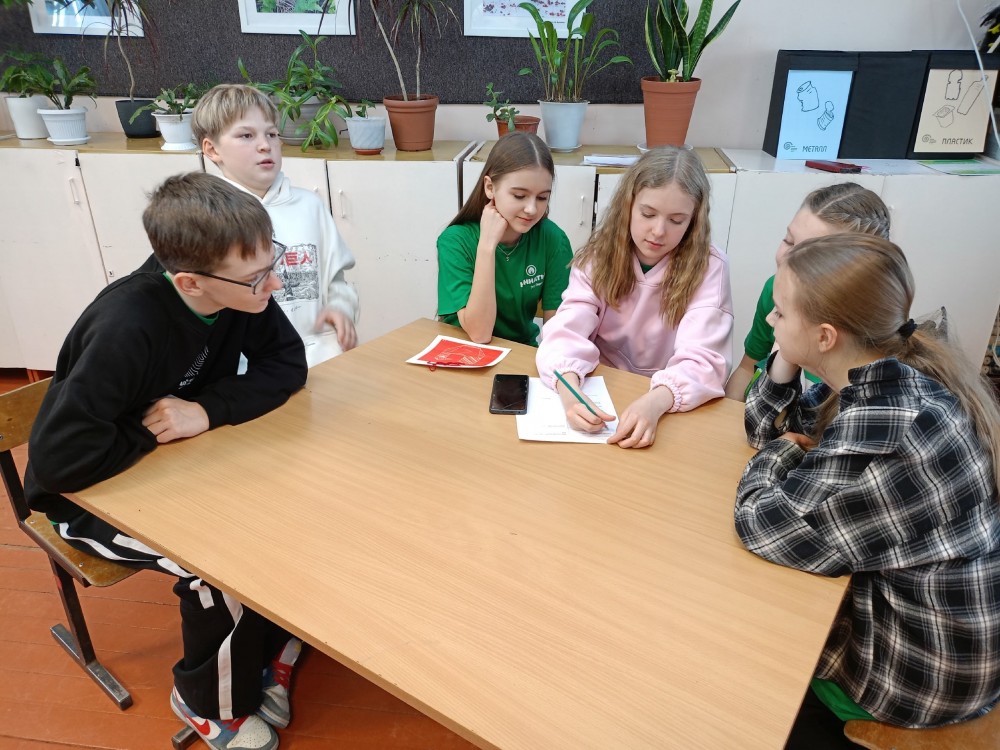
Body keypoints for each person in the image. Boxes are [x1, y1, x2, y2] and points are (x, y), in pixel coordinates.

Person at [24, 173, 309, 750]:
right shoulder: (126, 326)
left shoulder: (235, 288)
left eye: (272, 261)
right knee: (217, 567)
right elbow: (59, 461)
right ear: (189, 282)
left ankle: (263, 646)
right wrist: (152, 432)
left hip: (173, 469)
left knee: (283, 512)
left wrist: (205, 411)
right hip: (84, 499)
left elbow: (287, 363)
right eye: (258, 276)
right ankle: (207, 703)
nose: (274, 282)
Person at [735, 234, 1000, 749]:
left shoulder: (891, 423)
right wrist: (785, 361)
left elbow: (764, 526)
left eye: (781, 313)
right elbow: (766, 427)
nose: (770, 319)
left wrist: (779, 455)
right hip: (948, 641)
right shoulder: (884, 371)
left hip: (920, 676)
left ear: (826, 336)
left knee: (758, 655)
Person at [535, 146, 733, 449]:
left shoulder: (709, 267)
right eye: (648, 214)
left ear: (694, 220)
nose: (658, 231)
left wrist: (655, 402)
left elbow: (704, 360)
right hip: (600, 386)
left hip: (665, 401)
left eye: (677, 220)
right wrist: (570, 392)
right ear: (628, 205)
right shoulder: (600, 254)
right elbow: (566, 331)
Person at [193, 83, 359, 367]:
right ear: (212, 149)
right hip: (248, 369)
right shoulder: (203, 219)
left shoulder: (310, 206)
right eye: (246, 135)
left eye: (271, 134)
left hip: (321, 356)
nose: (264, 145)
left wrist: (340, 308)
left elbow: (336, 281)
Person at [724, 182, 891, 401]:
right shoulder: (775, 292)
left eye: (810, 255)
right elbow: (747, 368)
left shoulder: (860, 363)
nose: (787, 260)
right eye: (789, 241)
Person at [437, 131, 573, 345]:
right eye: (519, 196)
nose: (531, 209)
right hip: (462, 350)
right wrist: (487, 246)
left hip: (520, 353)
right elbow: (480, 334)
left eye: (542, 198)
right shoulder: (455, 241)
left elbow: (559, 334)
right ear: (490, 188)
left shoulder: (554, 240)